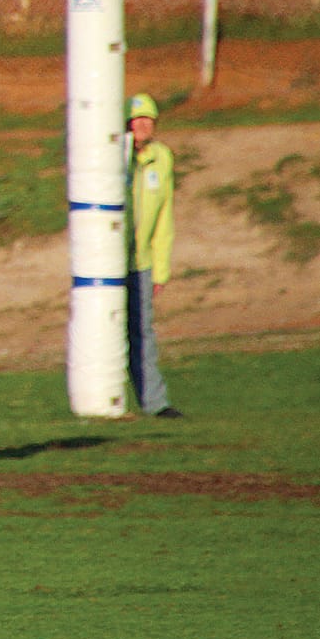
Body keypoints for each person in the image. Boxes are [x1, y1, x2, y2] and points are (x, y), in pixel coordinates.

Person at [126, 93, 183, 418]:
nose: (143, 125)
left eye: (149, 118)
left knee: (143, 331)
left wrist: (160, 270)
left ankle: (155, 403)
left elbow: (165, 218)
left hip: (142, 264)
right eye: (137, 119)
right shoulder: (115, 156)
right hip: (108, 265)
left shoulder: (161, 158)